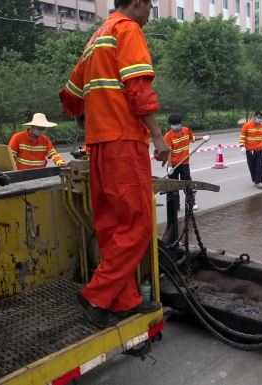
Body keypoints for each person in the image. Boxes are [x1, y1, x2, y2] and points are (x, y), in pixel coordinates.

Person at [58, 0, 170, 329]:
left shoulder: (96, 39)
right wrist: (158, 136)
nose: (150, 13)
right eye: (150, 5)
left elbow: (70, 96)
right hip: (123, 141)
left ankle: (125, 300)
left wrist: (93, 115)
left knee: (110, 227)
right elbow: (139, 89)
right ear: (137, 3)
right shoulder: (127, 29)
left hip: (99, 145)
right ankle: (96, 294)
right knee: (137, 225)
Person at [164, 113, 198, 210]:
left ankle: (191, 203)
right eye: (173, 124)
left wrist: (203, 138)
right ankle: (175, 206)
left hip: (184, 163)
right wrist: (170, 166)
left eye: (177, 124)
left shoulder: (186, 131)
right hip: (173, 165)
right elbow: (169, 152)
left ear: (180, 123)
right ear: (171, 124)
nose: (175, 126)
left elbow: (192, 139)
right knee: (172, 186)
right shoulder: (168, 136)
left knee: (187, 182)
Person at [239, 111, 262, 189]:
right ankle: (255, 180)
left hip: (260, 149)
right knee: (252, 166)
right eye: (258, 117)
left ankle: (259, 182)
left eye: (260, 118)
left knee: (259, 165)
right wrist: (242, 146)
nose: (259, 119)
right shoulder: (247, 125)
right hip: (250, 150)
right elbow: (242, 136)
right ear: (254, 117)